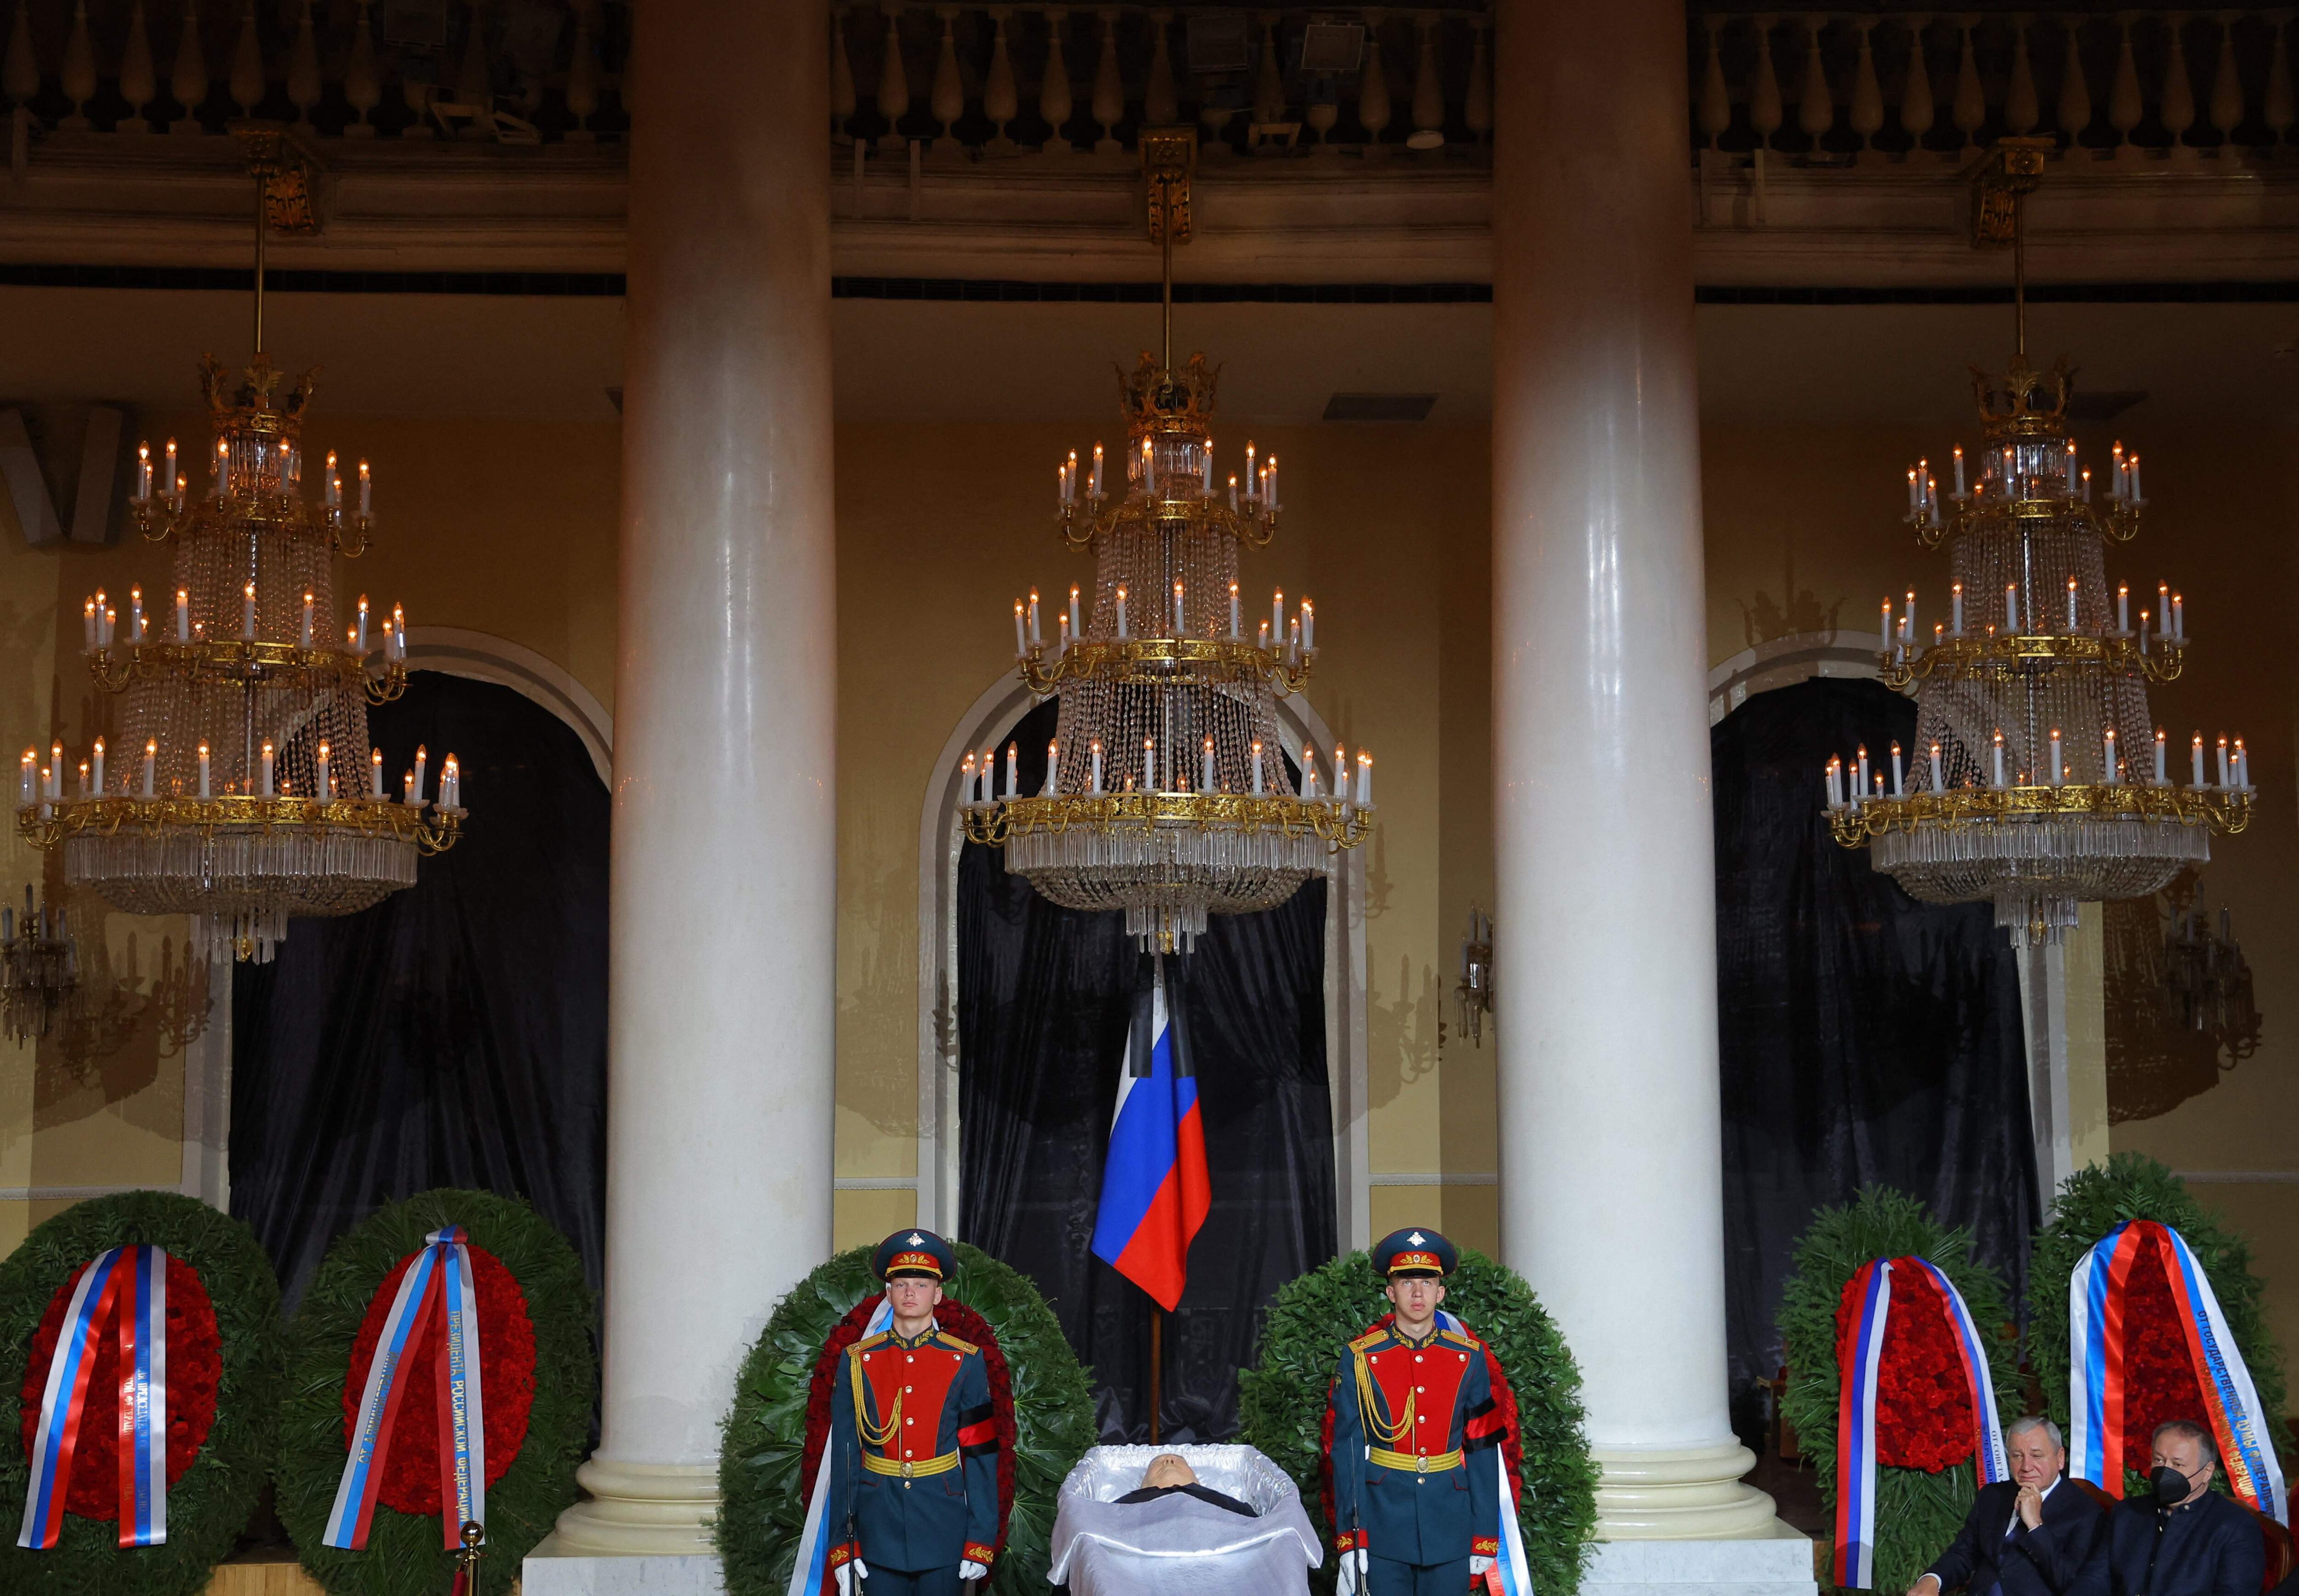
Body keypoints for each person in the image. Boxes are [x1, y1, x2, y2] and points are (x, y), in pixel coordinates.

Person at [1325, 1228, 1503, 1596]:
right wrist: (1350, 1536)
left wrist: (1485, 1533)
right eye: (1407, 1283)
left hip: (1449, 1522)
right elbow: (1348, 1451)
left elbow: (1483, 1447)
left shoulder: (1468, 1357)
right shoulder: (1361, 1358)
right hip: (1383, 1521)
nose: (1417, 1292)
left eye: (1427, 1282)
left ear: (1441, 1292)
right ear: (1391, 1292)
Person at [826, 1231, 1001, 1596]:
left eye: (921, 1284)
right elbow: (845, 1458)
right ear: (888, 1293)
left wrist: (980, 1537)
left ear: (937, 1294)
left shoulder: (965, 1360)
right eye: (901, 1284)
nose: (910, 1293)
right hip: (878, 1528)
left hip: (943, 1524)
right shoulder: (858, 1361)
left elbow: (980, 1453)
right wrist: (843, 1544)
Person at [1906, 1417, 2108, 1596]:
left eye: (2037, 1456)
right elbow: (1965, 1552)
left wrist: (2037, 1527)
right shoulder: (1993, 1496)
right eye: (2017, 1456)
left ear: (2060, 1458)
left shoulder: (2086, 1513)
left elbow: (2073, 1583)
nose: (2027, 1466)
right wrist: (1933, 1579)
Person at [2077, 1421, 2265, 1596]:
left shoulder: (2235, 1527)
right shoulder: (2128, 1513)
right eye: (2159, 1461)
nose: (2166, 1472)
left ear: (2207, 1472)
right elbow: (2094, 1578)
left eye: (2178, 1464)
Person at [1112, 1454, 1258, 1516]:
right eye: (1157, 1464)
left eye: (1179, 1461)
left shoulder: (1236, 1509)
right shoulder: (1116, 1510)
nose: (1169, 1461)